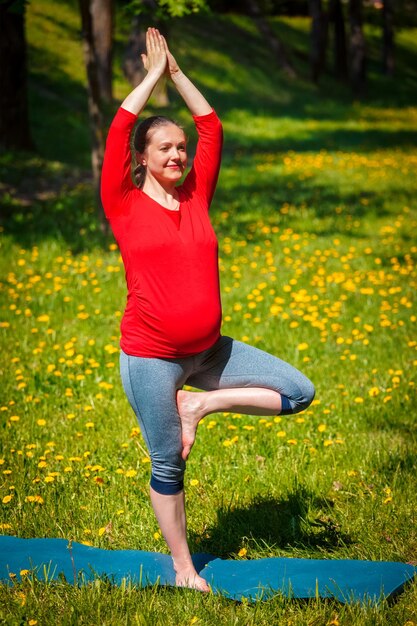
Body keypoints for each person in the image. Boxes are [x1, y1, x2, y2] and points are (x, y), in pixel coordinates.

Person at [101, 27, 315, 592]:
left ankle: (202, 406)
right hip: (152, 359)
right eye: (164, 148)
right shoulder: (122, 203)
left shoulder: (197, 193)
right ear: (142, 159)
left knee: (298, 391)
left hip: (210, 354)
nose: (177, 154)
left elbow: (211, 125)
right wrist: (148, 78)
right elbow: (121, 125)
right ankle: (183, 569)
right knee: (168, 463)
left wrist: (176, 73)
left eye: (180, 148)